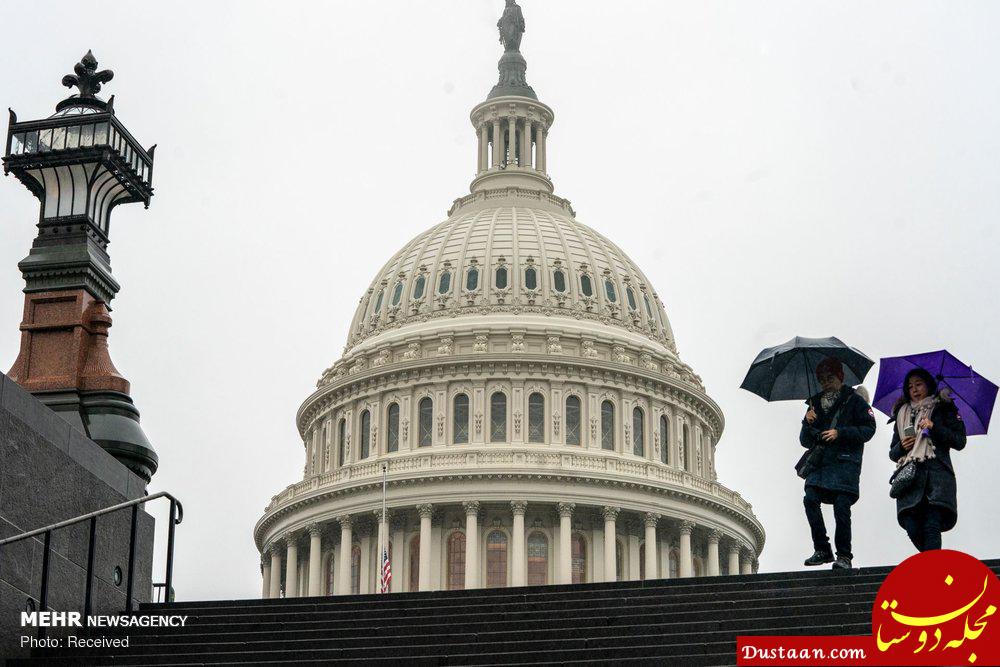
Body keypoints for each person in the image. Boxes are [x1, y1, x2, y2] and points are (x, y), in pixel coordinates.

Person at [799, 357, 876, 570]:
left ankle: (844, 556)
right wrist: (808, 422)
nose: (826, 382)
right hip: (821, 464)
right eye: (822, 379)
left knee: (841, 508)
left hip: (845, 464)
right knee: (810, 499)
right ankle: (822, 548)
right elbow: (804, 440)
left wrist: (840, 432)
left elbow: (869, 429)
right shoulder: (813, 405)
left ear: (840, 377)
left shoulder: (855, 401)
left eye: (830, 377)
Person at [889, 368, 967, 551]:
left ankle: (932, 569)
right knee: (912, 525)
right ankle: (935, 567)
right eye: (910, 386)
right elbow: (892, 454)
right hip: (910, 478)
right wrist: (902, 446)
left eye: (918, 384)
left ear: (928, 385)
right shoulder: (902, 414)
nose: (914, 389)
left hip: (936, 476)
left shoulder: (944, 408)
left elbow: (959, 441)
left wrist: (933, 426)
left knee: (932, 524)